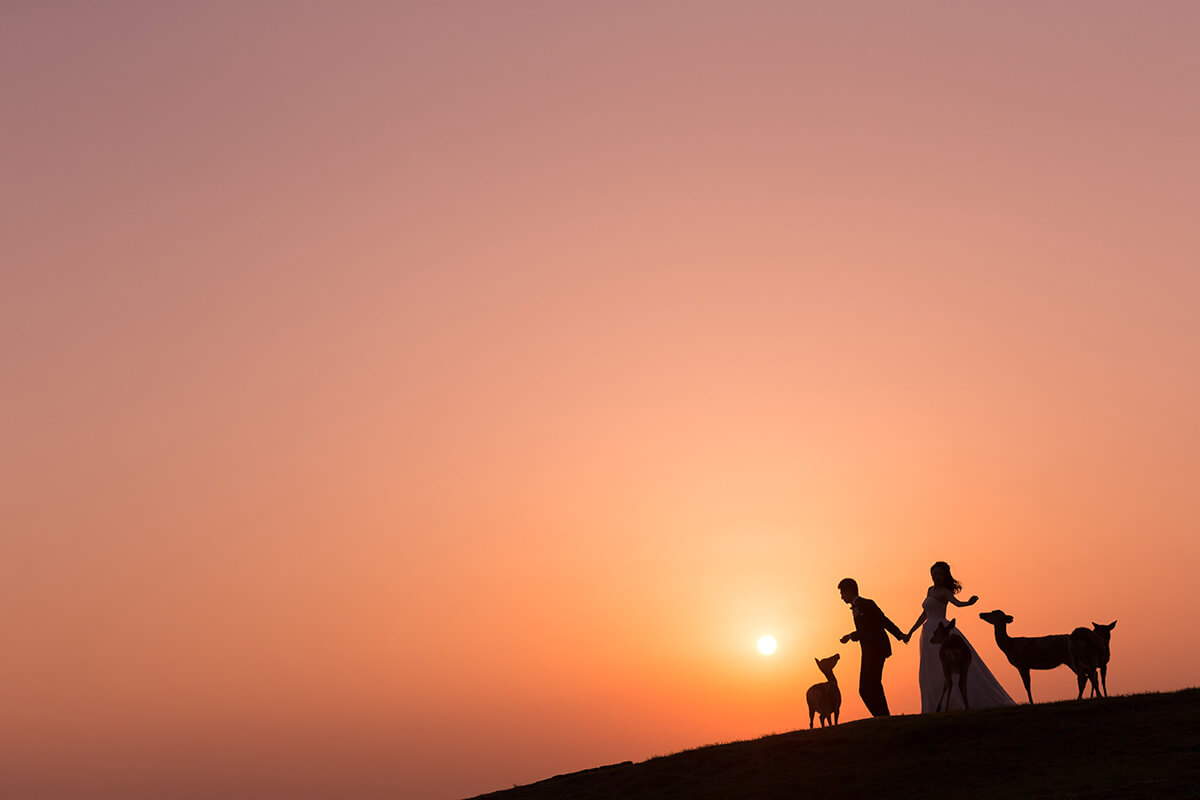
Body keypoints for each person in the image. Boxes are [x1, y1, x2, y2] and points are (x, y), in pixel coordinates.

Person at [903, 561, 1015, 712]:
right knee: (931, 670)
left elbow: (957, 603)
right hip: (928, 632)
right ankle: (937, 706)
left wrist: (968, 603)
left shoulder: (944, 592)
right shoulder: (930, 590)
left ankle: (962, 702)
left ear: (945, 576)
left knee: (951, 667)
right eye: (935, 574)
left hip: (942, 630)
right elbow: (924, 614)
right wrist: (911, 631)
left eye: (940, 574)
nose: (937, 577)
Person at [838, 577, 906, 717]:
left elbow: (882, 621)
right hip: (867, 651)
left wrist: (899, 634)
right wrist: (852, 636)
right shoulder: (857, 607)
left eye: (842, 593)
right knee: (864, 689)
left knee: (873, 684)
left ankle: (884, 717)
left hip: (877, 649)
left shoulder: (867, 604)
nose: (841, 597)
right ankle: (880, 716)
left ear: (850, 591)